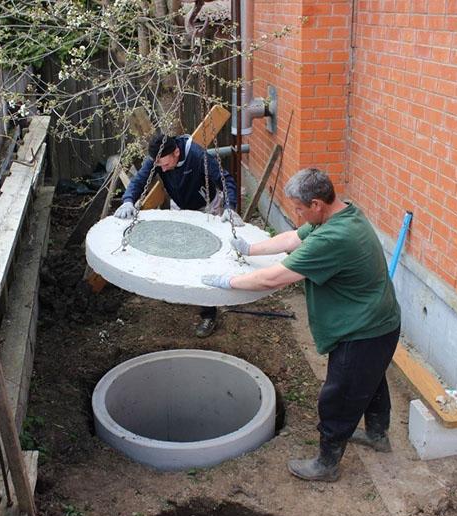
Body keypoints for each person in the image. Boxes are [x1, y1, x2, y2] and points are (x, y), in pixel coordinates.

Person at [201, 168, 401, 482]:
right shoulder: (343, 213)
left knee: (340, 394)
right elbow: (293, 238)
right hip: (380, 321)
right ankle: (378, 436)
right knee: (372, 380)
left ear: (317, 204)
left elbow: (274, 277)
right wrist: (250, 248)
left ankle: (326, 464)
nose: (296, 214)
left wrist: (229, 281)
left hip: (364, 330)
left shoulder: (333, 238)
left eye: (299, 208)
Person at [115, 132, 244, 338]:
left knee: (203, 260)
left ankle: (208, 313)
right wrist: (128, 200)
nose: (163, 169)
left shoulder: (197, 155)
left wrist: (230, 207)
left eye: (166, 165)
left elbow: (224, 177)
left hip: (206, 208)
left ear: (176, 152)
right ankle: (182, 290)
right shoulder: (159, 157)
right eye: (160, 166)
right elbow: (140, 180)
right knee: (180, 252)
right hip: (181, 207)